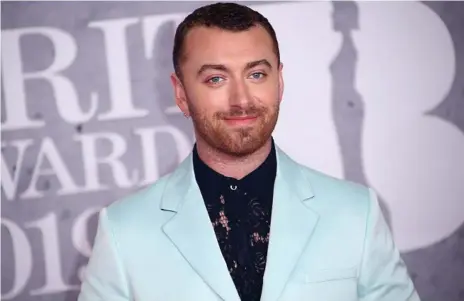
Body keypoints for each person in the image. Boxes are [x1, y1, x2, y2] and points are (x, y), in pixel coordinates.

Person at [78, 2, 420, 301]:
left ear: (279, 82)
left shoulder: (356, 213)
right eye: (216, 79)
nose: (241, 100)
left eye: (256, 74)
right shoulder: (124, 230)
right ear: (181, 94)